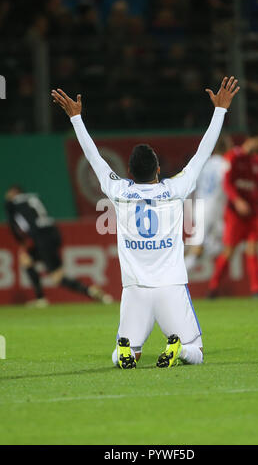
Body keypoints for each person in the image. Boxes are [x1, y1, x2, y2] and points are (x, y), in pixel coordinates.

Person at [51, 75, 240, 369]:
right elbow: (203, 153)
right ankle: (179, 349)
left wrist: (76, 119)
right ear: (159, 169)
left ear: (128, 171)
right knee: (196, 351)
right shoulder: (174, 189)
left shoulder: (119, 191)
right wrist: (220, 111)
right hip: (171, 285)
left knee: (122, 353)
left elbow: (95, 158)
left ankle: (126, 352)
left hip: (135, 288)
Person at [4, 186, 113, 307]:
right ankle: (41, 298)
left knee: (57, 278)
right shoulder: (32, 198)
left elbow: (15, 226)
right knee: (26, 260)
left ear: (14, 193)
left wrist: (22, 242)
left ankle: (90, 291)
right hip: (53, 232)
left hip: (41, 237)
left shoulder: (12, 204)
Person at [207, 129, 258, 298]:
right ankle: (213, 287)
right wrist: (237, 200)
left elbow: (257, 183)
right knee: (230, 250)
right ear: (250, 140)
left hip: (253, 212)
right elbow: (226, 183)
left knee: (253, 249)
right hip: (235, 213)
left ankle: (257, 289)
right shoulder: (232, 157)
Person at [184, 134, 232, 273]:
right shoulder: (225, 165)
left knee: (221, 242)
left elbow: (192, 186)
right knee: (201, 247)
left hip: (199, 206)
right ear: (226, 147)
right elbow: (228, 187)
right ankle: (176, 276)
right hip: (212, 209)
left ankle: (193, 252)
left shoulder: (204, 164)